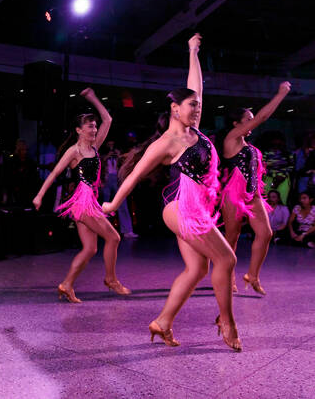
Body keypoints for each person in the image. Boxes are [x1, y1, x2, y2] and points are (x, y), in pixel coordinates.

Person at [104, 34, 241, 351]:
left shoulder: (195, 130)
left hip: (197, 208)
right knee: (227, 259)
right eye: (191, 105)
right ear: (175, 108)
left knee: (197, 268)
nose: (197, 108)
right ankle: (227, 322)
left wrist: (193, 51)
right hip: (180, 208)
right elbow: (135, 174)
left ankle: (163, 322)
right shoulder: (166, 142)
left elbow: (198, 88)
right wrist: (113, 203)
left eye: (197, 105)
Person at [32, 88, 130, 303]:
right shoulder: (74, 151)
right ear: (78, 130)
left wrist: (92, 97)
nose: (94, 129)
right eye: (89, 126)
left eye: (94, 126)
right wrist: (39, 196)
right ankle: (111, 279)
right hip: (82, 202)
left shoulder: (95, 147)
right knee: (113, 237)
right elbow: (55, 173)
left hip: (90, 201)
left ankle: (66, 284)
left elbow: (108, 118)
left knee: (90, 248)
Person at [218, 82, 290, 295]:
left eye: (251, 119)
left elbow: (255, 175)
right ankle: (227, 277)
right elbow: (262, 118)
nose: (252, 122)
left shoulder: (250, 147)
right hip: (232, 194)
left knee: (266, 233)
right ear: (235, 124)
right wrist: (280, 94)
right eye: (247, 120)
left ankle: (253, 275)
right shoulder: (231, 139)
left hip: (253, 194)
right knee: (232, 237)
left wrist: (258, 194)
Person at [101, 140, 138, 238]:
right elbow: (99, 164)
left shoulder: (118, 152)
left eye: (112, 144)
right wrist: (106, 157)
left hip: (117, 179)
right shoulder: (101, 153)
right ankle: (103, 231)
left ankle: (127, 231)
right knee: (104, 205)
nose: (111, 145)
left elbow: (125, 164)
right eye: (109, 144)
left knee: (122, 203)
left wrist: (119, 156)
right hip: (106, 179)